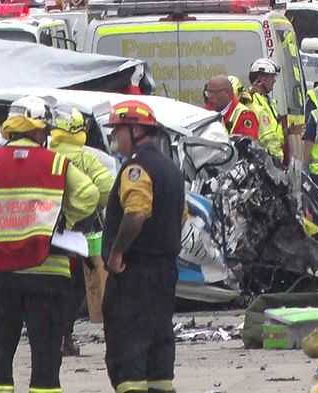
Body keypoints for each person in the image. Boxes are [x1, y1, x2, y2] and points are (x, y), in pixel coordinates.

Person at [0, 95, 99, 393]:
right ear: (38, 130)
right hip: (49, 273)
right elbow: (89, 195)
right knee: (46, 362)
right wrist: (63, 219)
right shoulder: (57, 162)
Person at [101, 100, 187, 393]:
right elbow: (182, 216)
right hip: (164, 274)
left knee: (128, 355)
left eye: (118, 130)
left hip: (135, 275)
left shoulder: (136, 168)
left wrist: (116, 252)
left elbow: (136, 213)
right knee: (158, 357)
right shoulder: (170, 168)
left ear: (136, 129)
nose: (114, 137)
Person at [49, 104, 115, 356]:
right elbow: (107, 187)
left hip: (46, 231)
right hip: (80, 234)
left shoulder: (46, 155)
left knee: (49, 286)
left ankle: (51, 337)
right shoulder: (88, 157)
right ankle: (66, 335)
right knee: (75, 288)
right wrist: (90, 207)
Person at [248, 58, 284, 160]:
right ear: (261, 77)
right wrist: (278, 159)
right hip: (265, 158)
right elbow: (267, 137)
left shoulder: (266, 100)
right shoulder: (252, 100)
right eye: (272, 76)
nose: (274, 80)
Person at [204, 75, 259, 140]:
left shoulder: (244, 116)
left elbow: (246, 146)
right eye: (207, 92)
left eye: (213, 92)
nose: (209, 96)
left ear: (226, 93)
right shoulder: (204, 112)